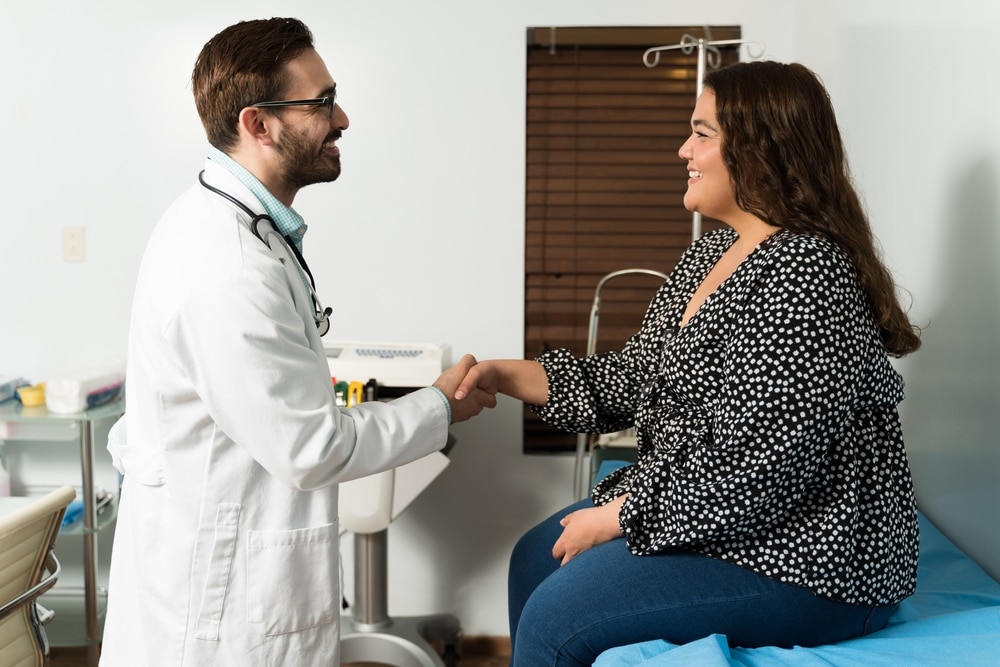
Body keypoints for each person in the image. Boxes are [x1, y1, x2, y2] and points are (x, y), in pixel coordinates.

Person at [455, 60, 922, 666]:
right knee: (532, 556)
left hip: (809, 555)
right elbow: (633, 379)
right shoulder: (712, 254)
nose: (684, 150)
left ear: (761, 148)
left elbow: (758, 464)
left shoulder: (807, 272)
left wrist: (620, 516)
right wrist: (500, 374)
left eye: (702, 133)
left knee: (556, 615)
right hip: (731, 519)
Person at [99, 17, 495, 667]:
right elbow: (310, 447)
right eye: (320, 103)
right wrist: (441, 407)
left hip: (221, 558)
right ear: (258, 124)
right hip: (222, 606)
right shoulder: (226, 265)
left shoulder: (237, 228)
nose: (341, 118)